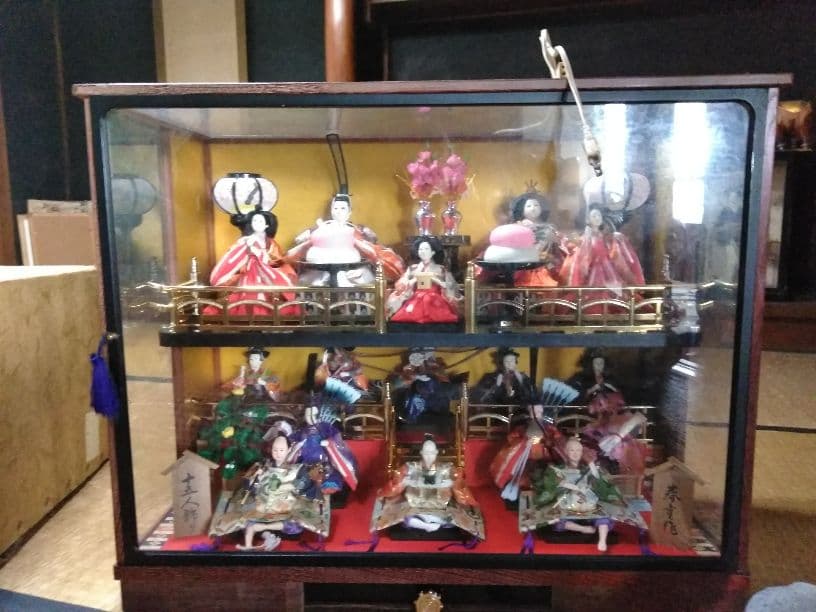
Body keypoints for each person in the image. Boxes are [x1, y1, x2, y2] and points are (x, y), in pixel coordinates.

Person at [287, 194, 405, 286]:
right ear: (331, 210)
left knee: (360, 277)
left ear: (349, 212)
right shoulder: (321, 228)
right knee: (311, 280)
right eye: (335, 208)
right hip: (321, 269)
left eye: (343, 208)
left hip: (354, 268)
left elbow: (373, 241)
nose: (338, 211)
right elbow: (299, 240)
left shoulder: (358, 230)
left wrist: (356, 240)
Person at [530, 437, 623, 552]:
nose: (575, 453)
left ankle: (602, 540)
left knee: (603, 516)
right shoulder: (557, 470)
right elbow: (553, 483)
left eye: (578, 450)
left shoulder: (586, 469)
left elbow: (598, 482)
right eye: (572, 450)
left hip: (587, 501)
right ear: (566, 452)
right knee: (556, 519)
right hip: (568, 501)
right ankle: (582, 529)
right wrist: (569, 486)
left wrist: (592, 467)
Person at [376, 436, 481, 536]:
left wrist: (452, 483)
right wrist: (405, 482)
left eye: (432, 453)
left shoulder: (446, 468)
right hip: (415, 506)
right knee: (407, 518)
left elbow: (459, 487)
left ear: (436, 452)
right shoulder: (410, 468)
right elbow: (395, 486)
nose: (429, 456)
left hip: (440, 507)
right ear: (421, 452)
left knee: (451, 518)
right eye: (426, 452)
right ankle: (428, 526)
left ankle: (432, 523)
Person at [207, 207, 299, 315]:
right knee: (249, 297)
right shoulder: (246, 241)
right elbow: (234, 257)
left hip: (267, 275)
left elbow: (276, 259)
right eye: (254, 220)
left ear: (267, 225)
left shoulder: (270, 243)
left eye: (260, 221)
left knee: (272, 299)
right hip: (250, 274)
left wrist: (276, 264)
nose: (256, 223)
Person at [569, 352, 646, 477]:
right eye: (596, 363)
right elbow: (578, 396)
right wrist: (592, 390)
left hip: (612, 421)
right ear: (590, 364)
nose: (599, 366)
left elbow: (632, 409)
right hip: (592, 416)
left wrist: (612, 388)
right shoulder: (583, 379)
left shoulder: (612, 380)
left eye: (601, 363)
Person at [490, 403, 565, 503]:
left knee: (550, 478)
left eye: (539, 412)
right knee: (522, 481)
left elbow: (559, 442)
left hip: (545, 462)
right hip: (524, 463)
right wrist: (524, 442)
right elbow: (512, 441)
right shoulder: (520, 430)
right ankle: (521, 501)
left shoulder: (550, 429)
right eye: (534, 413)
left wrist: (550, 443)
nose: (536, 415)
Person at [287, 403, 358, 499]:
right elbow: (293, 441)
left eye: (313, 415)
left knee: (326, 482)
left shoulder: (326, 428)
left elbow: (337, 442)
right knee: (301, 479)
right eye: (308, 415)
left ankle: (318, 494)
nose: (310, 418)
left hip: (326, 464)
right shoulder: (303, 431)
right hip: (306, 464)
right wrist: (297, 446)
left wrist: (329, 443)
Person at [387, 236, 460, 324]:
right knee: (407, 315)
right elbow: (402, 284)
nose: (423, 252)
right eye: (420, 249)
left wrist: (436, 280)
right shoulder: (413, 269)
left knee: (439, 314)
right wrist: (414, 280)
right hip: (416, 298)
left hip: (435, 298)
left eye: (426, 249)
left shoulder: (441, 269)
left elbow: (450, 286)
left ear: (433, 252)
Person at [509, 190, 564, 287]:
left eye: (536, 205)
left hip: (545, 264)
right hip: (523, 266)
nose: (533, 208)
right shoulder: (517, 227)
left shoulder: (549, 228)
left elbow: (557, 246)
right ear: (522, 209)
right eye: (528, 206)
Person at [473, 348, 537, 406]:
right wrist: (496, 386)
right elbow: (480, 399)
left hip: (520, 411)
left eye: (512, 361)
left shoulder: (524, 378)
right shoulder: (489, 377)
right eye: (506, 361)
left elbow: (533, 398)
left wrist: (521, 382)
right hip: (497, 411)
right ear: (501, 363)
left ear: (515, 363)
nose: (509, 363)